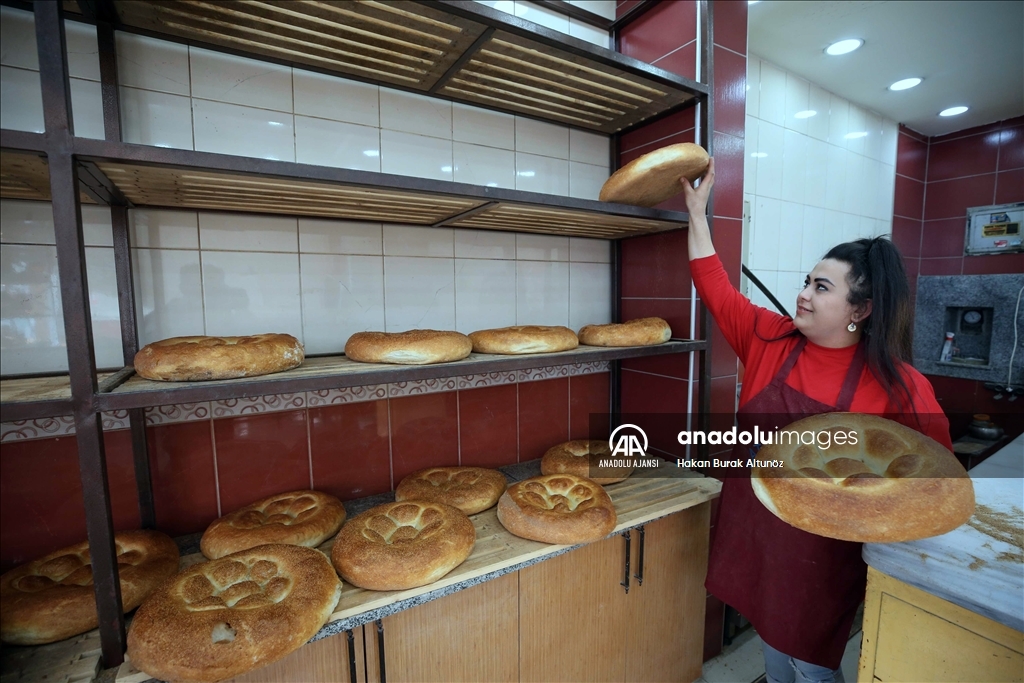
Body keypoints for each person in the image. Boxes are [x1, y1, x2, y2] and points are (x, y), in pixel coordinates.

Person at [682, 159, 952, 683]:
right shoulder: (769, 339)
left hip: (823, 560)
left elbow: (935, 481)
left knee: (811, 666)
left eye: (822, 287)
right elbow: (714, 285)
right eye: (807, 281)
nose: (803, 294)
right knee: (774, 653)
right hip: (757, 537)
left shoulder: (900, 386)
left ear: (861, 310)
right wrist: (697, 214)